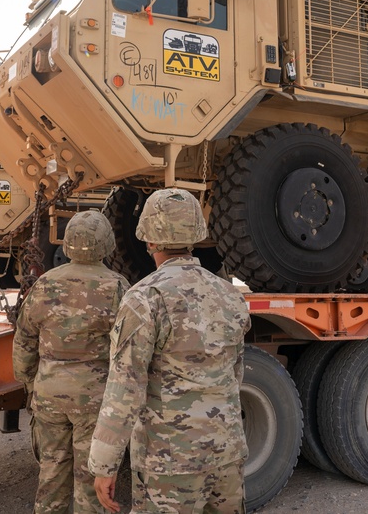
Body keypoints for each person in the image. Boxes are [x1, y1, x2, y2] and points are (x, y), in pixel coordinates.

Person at [88, 188, 251, 513]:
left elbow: (125, 389)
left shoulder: (143, 299)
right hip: (226, 454)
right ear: (196, 236)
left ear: (148, 240)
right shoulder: (230, 295)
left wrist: (104, 464)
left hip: (169, 462)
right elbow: (235, 373)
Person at [12, 210, 130, 514]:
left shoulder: (45, 284)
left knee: (50, 475)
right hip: (95, 401)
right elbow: (129, 349)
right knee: (90, 484)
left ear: (67, 245)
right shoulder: (118, 287)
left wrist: (30, 385)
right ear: (106, 244)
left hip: (49, 396)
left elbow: (25, 342)